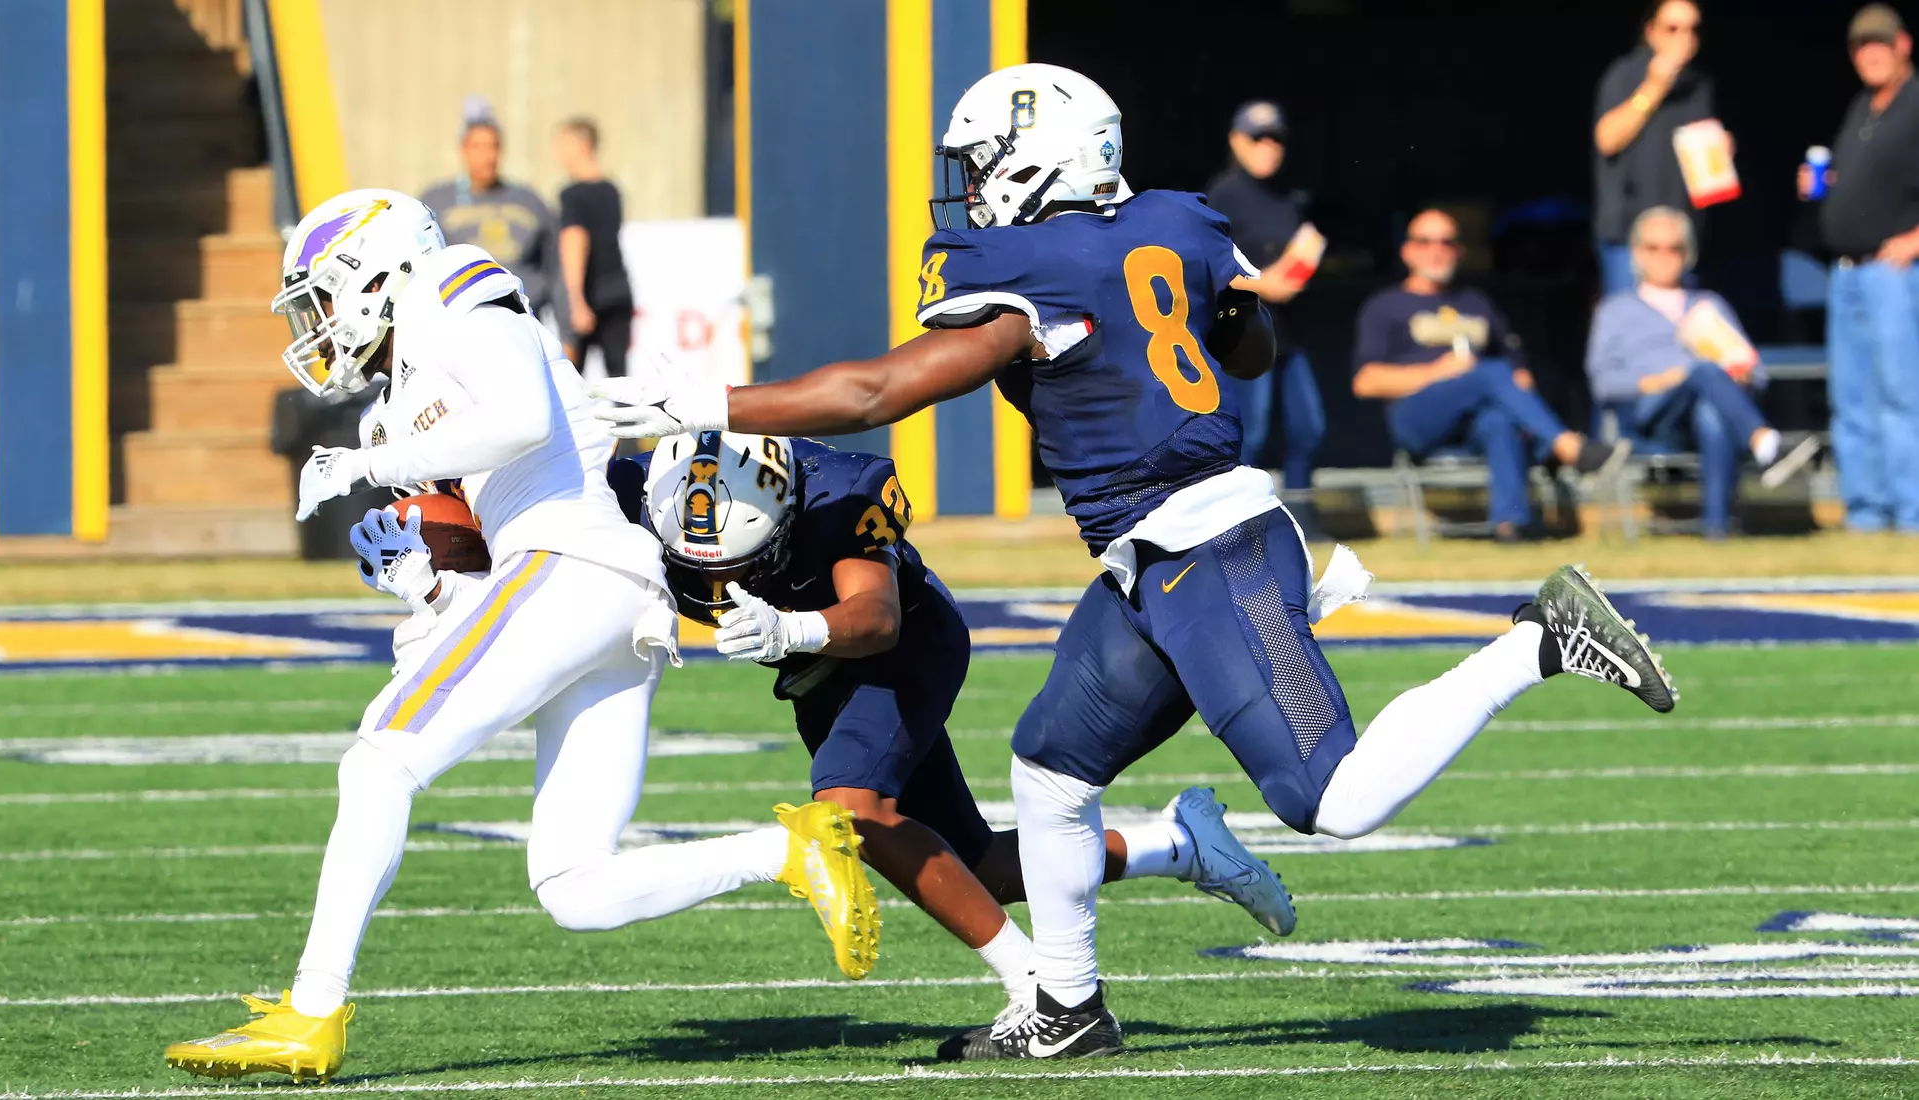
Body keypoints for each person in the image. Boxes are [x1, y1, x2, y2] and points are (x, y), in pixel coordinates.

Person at [588, 63, 1678, 1060]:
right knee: (1049, 770)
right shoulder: (1174, 223)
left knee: (1335, 801)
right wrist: (1202, 300)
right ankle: (1065, 1005)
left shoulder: (1029, 268)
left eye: (981, 163)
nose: (969, 187)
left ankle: (1536, 640)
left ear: (1037, 159)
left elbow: (883, 391)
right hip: (1146, 556)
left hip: (1211, 546)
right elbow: (1249, 344)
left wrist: (704, 399)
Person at [160, 189, 879, 1082]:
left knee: (377, 763)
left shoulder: (448, 284)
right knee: (575, 886)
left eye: (320, 299)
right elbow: (473, 585)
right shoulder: (391, 407)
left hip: (570, 561)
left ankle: (311, 1011)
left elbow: (521, 420)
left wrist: (367, 465)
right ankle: (789, 848)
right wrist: (424, 583)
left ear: (375, 272)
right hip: (583, 595)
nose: (316, 326)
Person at [607, 431, 1295, 1011]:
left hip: (904, 644)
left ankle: (1043, 993)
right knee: (977, 870)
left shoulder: (837, 493)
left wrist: (793, 627)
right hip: (816, 675)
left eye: (743, 565)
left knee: (851, 808)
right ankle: (1177, 845)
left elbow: (876, 618)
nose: (720, 589)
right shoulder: (629, 492)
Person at [1353, 209, 1629, 542]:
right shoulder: (1385, 306)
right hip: (1417, 417)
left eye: (1446, 242)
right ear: (1407, 251)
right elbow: (1365, 382)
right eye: (1424, 242)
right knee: (1487, 373)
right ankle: (1565, 446)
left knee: (1499, 420)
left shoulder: (1476, 302)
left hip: (1476, 417)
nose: (1436, 250)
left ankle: (1510, 525)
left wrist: (1516, 385)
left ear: (1460, 251)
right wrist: (1436, 372)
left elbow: (1517, 370)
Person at [1587, 207, 1821, 538]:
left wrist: (1741, 375)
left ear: (1688, 254)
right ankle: (1765, 442)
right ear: (1637, 253)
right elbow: (1602, 383)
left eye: (1674, 248)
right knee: (1701, 370)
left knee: (1710, 411)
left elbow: (1755, 371)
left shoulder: (1709, 304)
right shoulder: (1615, 310)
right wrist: (1654, 381)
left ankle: (1716, 528)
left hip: (1706, 408)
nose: (1664, 256)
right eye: (1654, 247)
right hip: (1653, 416)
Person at [1807, 3, 1919, 533]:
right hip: (1847, 273)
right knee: (1851, 398)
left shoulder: (1915, 102)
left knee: (1900, 394)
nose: (1870, 54)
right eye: (1860, 46)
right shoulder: (1863, 107)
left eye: (1879, 43)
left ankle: (1911, 512)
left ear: (1903, 45)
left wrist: (1915, 240)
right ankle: (1866, 514)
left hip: (1891, 274)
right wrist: (1827, 186)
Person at [1203, 101, 1326, 502]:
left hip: (1285, 329)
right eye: (1258, 138)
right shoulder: (1222, 194)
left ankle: (1302, 516)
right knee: (1248, 434)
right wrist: (1262, 284)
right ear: (1237, 141)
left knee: (1308, 427)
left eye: (1276, 139)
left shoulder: (1287, 196)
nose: (1269, 147)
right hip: (1241, 330)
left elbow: (1303, 251)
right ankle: (1238, 519)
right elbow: (1205, 265)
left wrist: (1299, 264)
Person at [1593, 0, 1717, 295]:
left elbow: (1705, 173)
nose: (1684, 37)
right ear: (1651, 31)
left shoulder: (1699, 85)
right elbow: (1607, 139)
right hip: (1631, 236)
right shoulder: (1626, 73)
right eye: (1673, 28)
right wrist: (1654, 87)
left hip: (1681, 236)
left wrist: (1719, 154)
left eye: (1693, 29)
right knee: (1633, 318)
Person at [420, 105, 562, 324]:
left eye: (494, 146)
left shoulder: (530, 201)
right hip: (461, 324)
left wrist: (568, 331)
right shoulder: (436, 201)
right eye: (478, 147)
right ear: (463, 150)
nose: (488, 156)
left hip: (525, 322)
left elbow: (556, 268)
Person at [553, 116, 635, 376]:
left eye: (564, 145)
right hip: (618, 291)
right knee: (620, 380)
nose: (559, 153)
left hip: (589, 296)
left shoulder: (572, 195)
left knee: (571, 380)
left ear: (582, 146)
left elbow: (575, 242)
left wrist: (576, 301)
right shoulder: (611, 189)